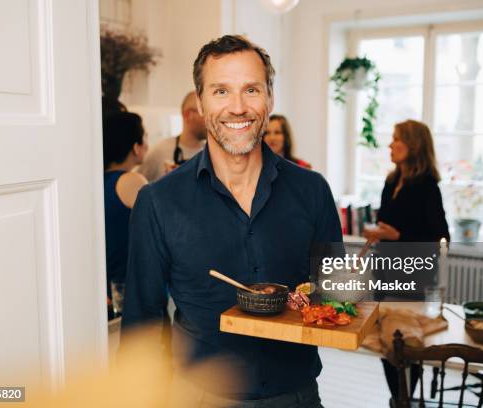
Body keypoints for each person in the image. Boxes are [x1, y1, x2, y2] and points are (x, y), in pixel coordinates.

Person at [122, 35, 341, 408]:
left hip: (296, 396)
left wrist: (372, 284)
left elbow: (336, 294)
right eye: (221, 91)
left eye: (251, 90)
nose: (237, 107)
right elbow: (142, 323)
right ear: (200, 101)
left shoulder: (313, 190)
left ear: (270, 98)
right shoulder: (158, 201)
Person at [363, 119, 449, 405]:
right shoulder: (391, 181)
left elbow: (440, 236)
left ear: (412, 145)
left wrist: (398, 235)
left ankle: (405, 398)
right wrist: (378, 232)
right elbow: (387, 223)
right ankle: (398, 398)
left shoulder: (426, 186)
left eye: (395, 139)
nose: (390, 144)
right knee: (386, 341)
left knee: (407, 341)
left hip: (412, 274)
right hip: (384, 270)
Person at [103, 112, 149, 300]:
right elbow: (165, 223)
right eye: (145, 138)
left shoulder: (96, 180)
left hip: (105, 288)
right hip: (126, 291)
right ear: (136, 147)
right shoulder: (131, 181)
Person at [138, 91, 207, 182]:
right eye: (205, 112)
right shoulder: (159, 152)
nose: (211, 119)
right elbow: (138, 189)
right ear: (188, 115)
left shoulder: (212, 155)